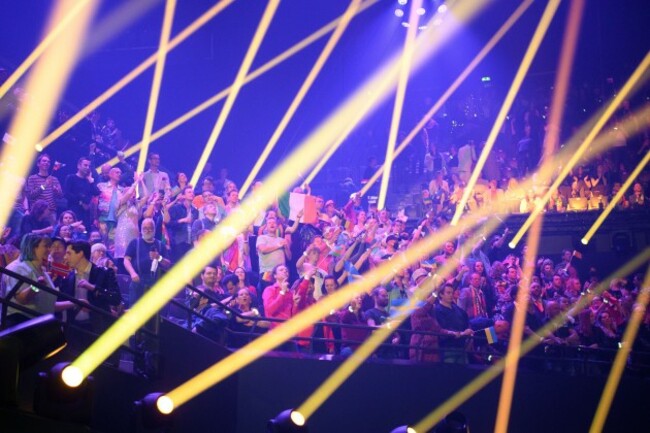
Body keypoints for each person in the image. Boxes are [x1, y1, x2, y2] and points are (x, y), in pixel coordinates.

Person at [0, 234, 75, 327]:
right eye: (45, 246)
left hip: (38, 323)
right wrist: (36, 287)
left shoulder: (41, 270)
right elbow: (22, 299)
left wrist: (72, 303)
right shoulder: (18, 268)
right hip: (22, 325)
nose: (49, 250)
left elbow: (47, 304)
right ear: (33, 247)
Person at [62, 241, 121, 336]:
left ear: (80, 254)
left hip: (98, 331)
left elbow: (116, 298)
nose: (65, 257)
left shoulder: (104, 273)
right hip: (73, 331)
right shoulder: (68, 277)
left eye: (68, 253)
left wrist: (93, 288)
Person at [63, 157, 100, 227]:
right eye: (85, 165)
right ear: (78, 166)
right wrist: (80, 201)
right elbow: (66, 194)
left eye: (89, 166)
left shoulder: (88, 180)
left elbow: (97, 192)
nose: (87, 167)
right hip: (73, 211)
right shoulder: (71, 178)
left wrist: (90, 180)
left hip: (86, 213)